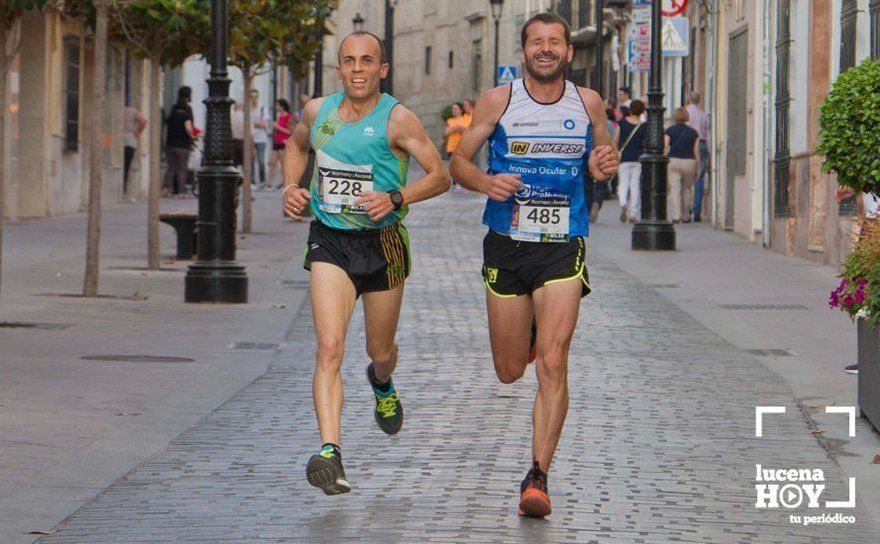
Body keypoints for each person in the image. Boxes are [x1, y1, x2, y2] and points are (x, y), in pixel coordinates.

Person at [449, 12, 618, 518]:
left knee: (553, 361)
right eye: (536, 42)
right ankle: (526, 334)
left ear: (568, 52)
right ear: (524, 52)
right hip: (506, 242)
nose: (546, 49)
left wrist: (599, 164)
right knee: (508, 371)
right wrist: (486, 183)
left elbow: (602, 153)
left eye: (554, 42)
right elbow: (457, 161)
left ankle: (537, 475)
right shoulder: (499, 101)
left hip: (563, 242)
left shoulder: (587, 101)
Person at [281, 31, 450, 496]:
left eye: (367, 61)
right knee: (328, 347)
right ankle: (330, 451)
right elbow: (296, 145)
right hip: (330, 241)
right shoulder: (318, 112)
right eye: (349, 61)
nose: (357, 69)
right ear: (340, 70)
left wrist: (396, 195)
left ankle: (382, 381)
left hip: (383, 245)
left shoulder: (398, 119)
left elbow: (441, 176)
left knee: (379, 349)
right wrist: (291, 186)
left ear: (382, 69)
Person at [665, 107, 700, 223]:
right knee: (687, 189)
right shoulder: (693, 132)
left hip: (673, 161)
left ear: (675, 117)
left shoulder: (669, 130)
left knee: (675, 189)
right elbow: (696, 151)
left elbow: (665, 147)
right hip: (689, 162)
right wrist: (698, 167)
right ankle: (686, 215)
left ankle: (676, 215)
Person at [162, 86, 195, 198]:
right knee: (182, 169)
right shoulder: (186, 114)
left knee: (171, 167)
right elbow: (189, 128)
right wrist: (192, 137)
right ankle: (182, 191)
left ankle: (166, 189)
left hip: (170, 144)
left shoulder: (172, 112)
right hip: (182, 145)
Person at [616, 99, 646, 223]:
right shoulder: (644, 126)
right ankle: (633, 214)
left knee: (623, 183)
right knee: (635, 185)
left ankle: (623, 203)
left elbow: (615, 139)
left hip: (625, 157)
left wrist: (615, 152)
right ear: (642, 111)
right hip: (638, 158)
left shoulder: (622, 123)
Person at [686, 91, 711, 222]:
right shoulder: (703, 115)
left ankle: (685, 208)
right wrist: (709, 152)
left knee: (686, 178)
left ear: (688, 100)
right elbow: (708, 135)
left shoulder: (684, 113)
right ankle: (697, 211)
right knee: (699, 178)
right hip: (701, 144)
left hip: (688, 143)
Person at [267, 98, 295, 189]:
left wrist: (277, 127)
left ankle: (285, 183)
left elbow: (290, 132)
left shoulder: (288, 117)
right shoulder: (278, 116)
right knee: (272, 163)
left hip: (284, 143)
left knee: (284, 164)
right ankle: (268, 183)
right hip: (276, 142)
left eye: (277, 105)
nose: (276, 107)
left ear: (282, 107)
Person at [249, 89, 271, 188]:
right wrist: (257, 123)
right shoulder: (248, 109)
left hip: (261, 139)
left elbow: (264, 124)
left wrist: (251, 122)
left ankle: (262, 181)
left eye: (256, 97)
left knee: (261, 161)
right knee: (251, 161)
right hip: (250, 139)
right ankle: (252, 181)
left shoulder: (263, 109)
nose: (254, 99)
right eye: (252, 97)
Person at [123, 106, 147, 194]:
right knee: (126, 166)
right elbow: (143, 121)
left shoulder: (118, 109)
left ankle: (123, 188)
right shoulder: (132, 110)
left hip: (119, 140)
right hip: (129, 141)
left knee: (124, 165)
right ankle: (124, 189)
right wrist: (138, 131)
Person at [231, 101, 245, 170]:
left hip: (233, 142)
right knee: (246, 163)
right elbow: (250, 133)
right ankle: (248, 179)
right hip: (242, 142)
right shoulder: (245, 117)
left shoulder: (231, 117)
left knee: (234, 164)